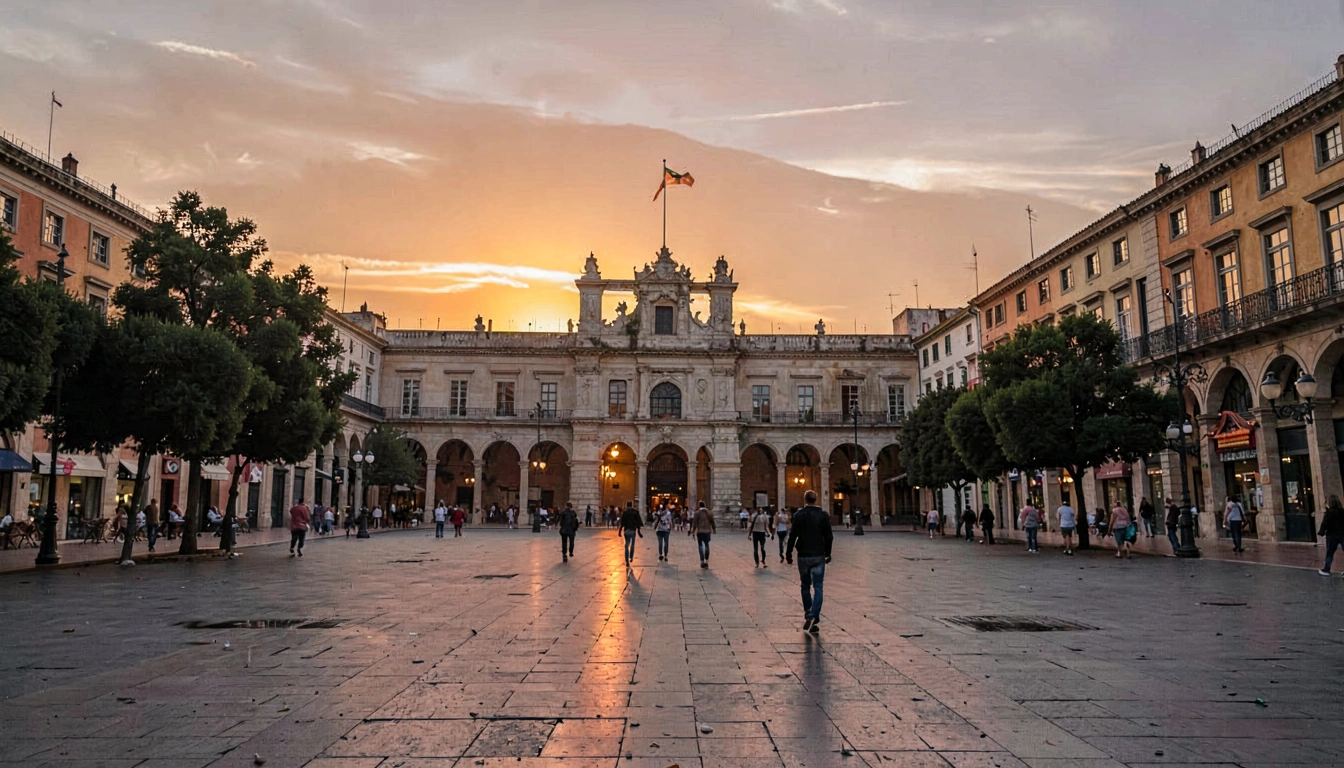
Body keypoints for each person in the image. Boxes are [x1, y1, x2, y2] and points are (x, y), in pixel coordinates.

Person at [786, 490, 833, 634]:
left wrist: (788, 553)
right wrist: (828, 553)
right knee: (818, 587)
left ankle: (808, 613)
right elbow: (829, 536)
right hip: (818, 554)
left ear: (804, 499)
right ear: (816, 499)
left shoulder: (799, 515)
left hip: (803, 555)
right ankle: (814, 615)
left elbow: (793, 535)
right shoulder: (823, 515)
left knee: (805, 586)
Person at [1317, 495, 1344, 575]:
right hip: (1342, 534)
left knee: (1330, 553)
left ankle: (1326, 569)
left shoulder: (1329, 513)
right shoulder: (1342, 511)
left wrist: (1321, 532)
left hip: (1332, 536)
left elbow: (1325, 523)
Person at [691, 502, 716, 568]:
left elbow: (695, 523)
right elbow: (712, 521)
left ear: (699, 505)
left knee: (700, 545)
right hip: (707, 531)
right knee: (707, 545)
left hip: (700, 531)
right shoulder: (709, 513)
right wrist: (714, 529)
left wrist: (693, 532)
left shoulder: (697, 513)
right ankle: (707, 560)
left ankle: (702, 560)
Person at [619, 502, 643, 567]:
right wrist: (639, 527)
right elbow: (639, 521)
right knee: (632, 544)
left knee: (627, 544)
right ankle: (631, 557)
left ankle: (626, 560)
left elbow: (622, 522)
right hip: (633, 530)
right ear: (632, 505)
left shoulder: (625, 512)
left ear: (626, 505)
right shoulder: (635, 512)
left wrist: (620, 531)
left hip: (626, 530)